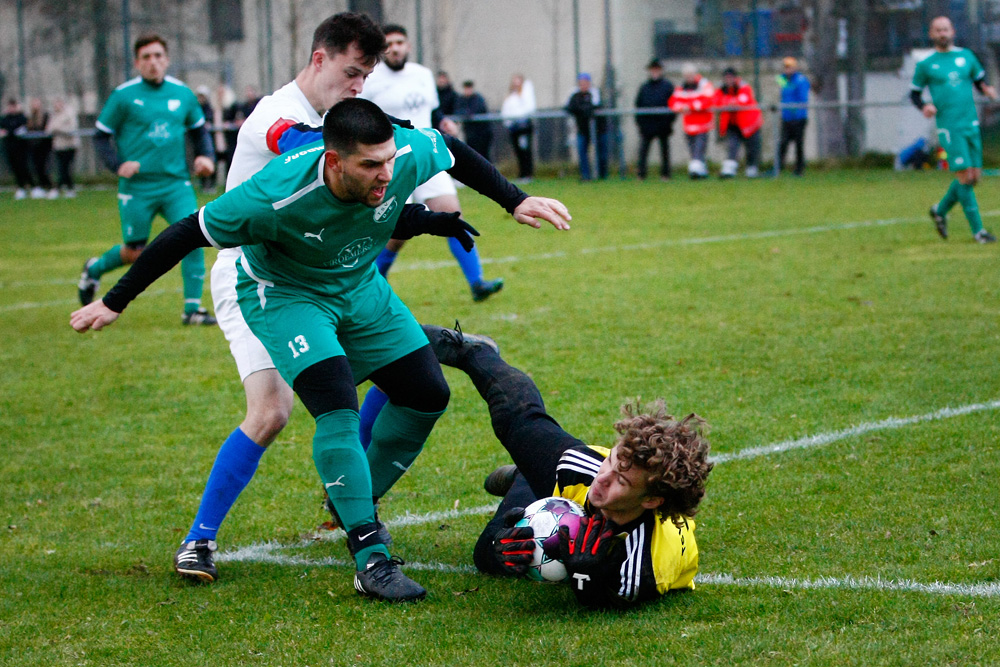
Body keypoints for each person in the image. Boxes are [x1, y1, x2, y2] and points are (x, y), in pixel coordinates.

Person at [168, 13, 572, 587]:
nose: (359, 86)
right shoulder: (277, 121)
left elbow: (384, 178)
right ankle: (200, 540)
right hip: (261, 276)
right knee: (272, 413)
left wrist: (481, 202)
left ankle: (353, 497)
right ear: (319, 59)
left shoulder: (346, 123)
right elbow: (333, 171)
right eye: (352, 73)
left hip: (337, 270)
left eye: (367, 76)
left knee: (402, 377)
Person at [421, 323, 714, 609]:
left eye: (621, 482)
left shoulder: (648, 562)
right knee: (518, 424)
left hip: (608, 530)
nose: (603, 479)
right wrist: (473, 355)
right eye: (613, 460)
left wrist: (585, 577)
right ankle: (475, 350)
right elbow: (523, 418)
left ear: (651, 500)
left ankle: (520, 480)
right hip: (566, 488)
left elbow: (603, 603)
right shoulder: (585, 468)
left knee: (492, 555)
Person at [79, 34, 217, 325]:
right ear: (136, 62)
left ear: (166, 59)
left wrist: (206, 157)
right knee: (134, 252)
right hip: (137, 188)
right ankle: (94, 269)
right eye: (146, 57)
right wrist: (117, 164)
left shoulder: (183, 94)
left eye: (158, 56)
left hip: (176, 185)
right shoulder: (123, 96)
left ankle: (192, 309)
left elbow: (199, 131)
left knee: (193, 238)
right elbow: (101, 136)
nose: (153, 62)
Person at [360, 24, 504, 303]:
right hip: (391, 164)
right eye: (389, 43)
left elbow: (433, 110)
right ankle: (370, 285)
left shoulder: (423, 75)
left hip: (428, 156)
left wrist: (443, 122)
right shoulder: (370, 80)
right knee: (396, 234)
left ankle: (477, 283)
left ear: (408, 46)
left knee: (453, 216)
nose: (395, 47)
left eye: (400, 41)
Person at [914, 16, 998, 244]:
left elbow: (981, 80)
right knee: (964, 175)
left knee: (974, 178)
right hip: (950, 126)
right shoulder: (926, 64)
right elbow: (915, 93)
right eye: (938, 30)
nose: (943, 33)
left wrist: (988, 91)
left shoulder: (966, 56)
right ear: (931, 34)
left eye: (946, 29)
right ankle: (978, 232)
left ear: (952, 31)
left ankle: (939, 211)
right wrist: (925, 106)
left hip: (970, 122)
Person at [714, 67, 763, 178]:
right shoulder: (721, 89)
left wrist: (727, 102)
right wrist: (730, 102)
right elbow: (716, 101)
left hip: (749, 124)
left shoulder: (744, 86)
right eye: (726, 78)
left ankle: (752, 169)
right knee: (732, 147)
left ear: (735, 78)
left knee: (751, 148)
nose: (728, 80)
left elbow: (743, 101)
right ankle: (729, 171)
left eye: (730, 78)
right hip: (733, 125)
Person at [669, 63, 715, 179]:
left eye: (690, 75)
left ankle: (695, 170)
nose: (688, 78)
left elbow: (708, 100)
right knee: (692, 148)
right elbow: (673, 102)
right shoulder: (681, 87)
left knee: (699, 148)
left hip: (703, 123)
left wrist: (690, 106)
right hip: (689, 125)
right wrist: (681, 107)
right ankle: (701, 171)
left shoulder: (704, 84)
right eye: (686, 76)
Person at [634, 58, 675, 181]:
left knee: (664, 150)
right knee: (643, 150)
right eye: (653, 70)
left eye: (657, 70)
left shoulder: (668, 86)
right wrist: (640, 123)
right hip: (647, 124)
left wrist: (668, 121)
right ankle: (641, 174)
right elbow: (638, 104)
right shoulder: (644, 87)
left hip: (663, 124)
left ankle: (665, 174)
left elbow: (673, 104)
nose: (655, 72)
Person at [565, 72, 609, 181]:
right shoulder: (575, 96)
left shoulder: (595, 93)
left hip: (599, 129)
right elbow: (569, 107)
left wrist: (582, 109)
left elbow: (594, 108)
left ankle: (602, 175)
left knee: (602, 153)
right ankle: (586, 176)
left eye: (585, 82)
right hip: (583, 130)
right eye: (581, 83)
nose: (583, 85)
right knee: (582, 153)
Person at [777, 57, 809, 176]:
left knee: (798, 144)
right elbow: (784, 95)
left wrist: (793, 110)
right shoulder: (782, 79)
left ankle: (799, 169)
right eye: (786, 67)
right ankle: (778, 167)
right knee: (783, 143)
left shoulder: (801, 80)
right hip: (786, 117)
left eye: (789, 67)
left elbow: (802, 99)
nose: (787, 69)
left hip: (798, 118)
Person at [500, 74, 536, 182]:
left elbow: (529, 108)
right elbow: (506, 111)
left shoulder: (525, 95)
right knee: (518, 152)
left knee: (525, 151)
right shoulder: (510, 96)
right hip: (514, 127)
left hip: (523, 127)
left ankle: (527, 174)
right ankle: (522, 174)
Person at [0, 98, 35, 200]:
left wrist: (9, 132)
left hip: (21, 148)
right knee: (15, 168)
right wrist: (11, 132)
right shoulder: (5, 118)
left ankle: (32, 186)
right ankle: (21, 187)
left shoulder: (21, 117)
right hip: (9, 148)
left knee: (24, 167)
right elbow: (4, 129)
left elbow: (21, 128)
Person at [46, 97, 81, 197]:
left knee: (65, 168)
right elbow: (49, 129)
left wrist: (58, 129)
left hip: (69, 145)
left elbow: (72, 129)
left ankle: (58, 188)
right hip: (58, 145)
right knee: (61, 167)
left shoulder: (69, 113)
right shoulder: (54, 115)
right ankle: (68, 188)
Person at [25, 97, 57, 199]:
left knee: (45, 168)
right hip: (34, 147)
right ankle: (41, 187)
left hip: (44, 146)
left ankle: (52, 187)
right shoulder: (30, 117)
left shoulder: (45, 116)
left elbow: (48, 129)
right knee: (37, 168)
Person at [454, 80, 492, 161]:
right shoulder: (461, 99)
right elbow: (457, 111)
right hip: (470, 133)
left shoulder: (478, 98)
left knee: (484, 155)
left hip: (482, 133)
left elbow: (478, 109)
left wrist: (466, 113)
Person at [195, 86, 217, 191]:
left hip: (209, 138)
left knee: (210, 160)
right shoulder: (196, 108)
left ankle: (211, 184)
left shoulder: (209, 108)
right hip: (199, 140)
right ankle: (203, 184)